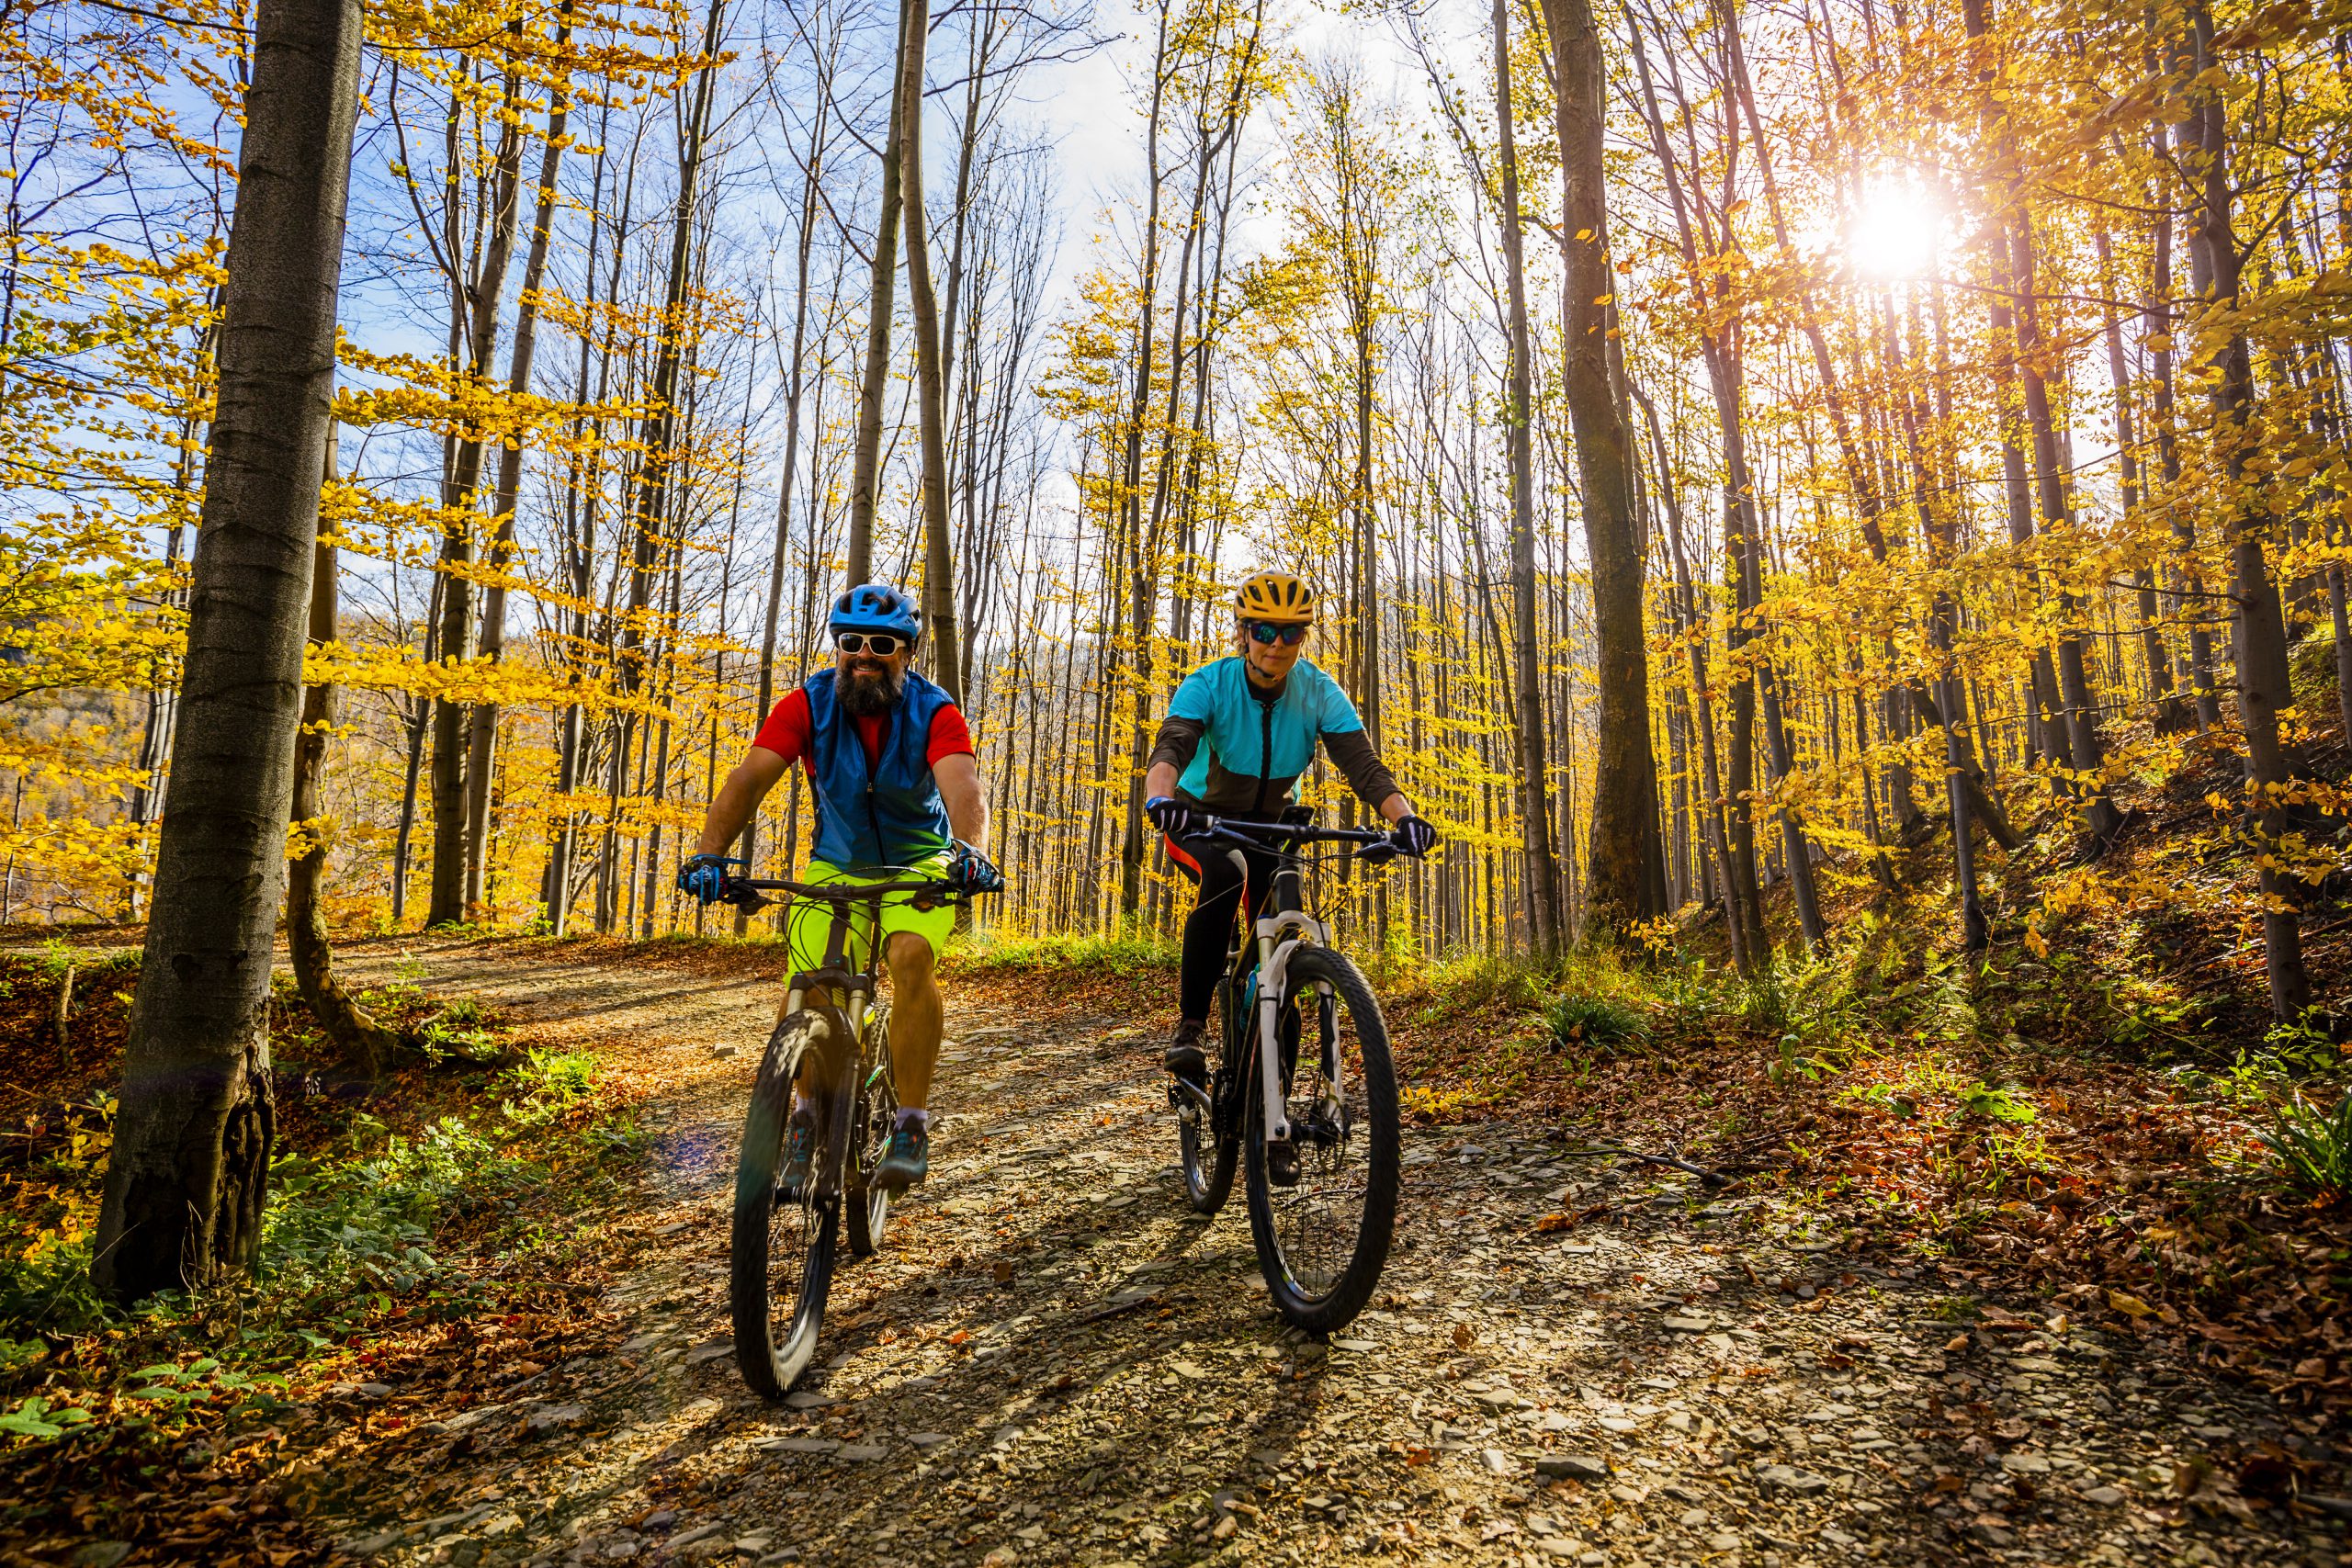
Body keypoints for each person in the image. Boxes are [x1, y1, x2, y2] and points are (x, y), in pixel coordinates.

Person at [677, 582, 1001, 1193]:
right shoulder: (807, 704)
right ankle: (801, 1113)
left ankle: (909, 1121)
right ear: (837, 646)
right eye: (851, 642)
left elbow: (963, 787)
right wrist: (710, 855)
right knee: (809, 979)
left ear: (906, 650)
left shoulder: (935, 711)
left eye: (882, 643)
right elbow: (748, 779)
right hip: (837, 860)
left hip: (919, 862)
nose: (864, 655)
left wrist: (970, 851)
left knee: (909, 956)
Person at [1141, 570, 1438, 1088]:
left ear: (1304, 637)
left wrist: (1404, 818)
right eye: (1263, 631)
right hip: (1199, 818)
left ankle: (1271, 1068)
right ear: (1242, 631)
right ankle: (1190, 1027)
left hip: (1273, 825)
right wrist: (1161, 799)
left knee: (1283, 925)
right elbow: (1173, 744)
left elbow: (1364, 766)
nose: (1276, 645)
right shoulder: (1208, 683)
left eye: (1291, 633)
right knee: (1227, 877)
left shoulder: (1319, 690)